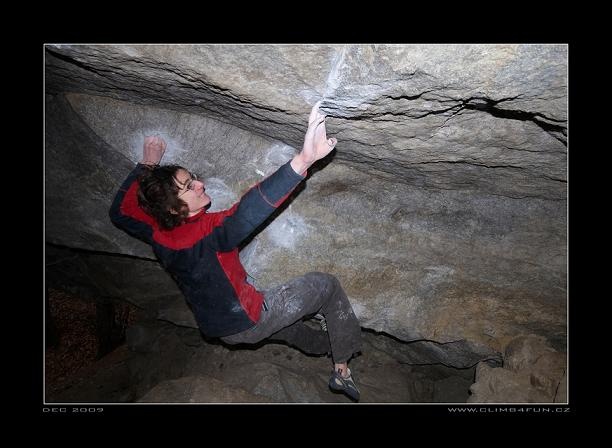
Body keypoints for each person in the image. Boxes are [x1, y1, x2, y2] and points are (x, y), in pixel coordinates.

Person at [109, 101, 362, 401]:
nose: (201, 184)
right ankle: (342, 367)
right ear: (174, 206)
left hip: (222, 329)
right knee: (327, 286)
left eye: (193, 178)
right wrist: (303, 161)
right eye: (190, 186)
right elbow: (247, 211)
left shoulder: (158, 232)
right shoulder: (209, 232)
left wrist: (147, 165)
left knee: (290, 327)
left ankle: (327, 344)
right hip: (251, 317)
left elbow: (119, 213)